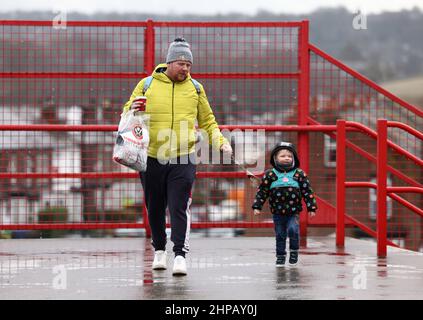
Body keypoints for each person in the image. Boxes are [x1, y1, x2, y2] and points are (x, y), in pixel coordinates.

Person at [122, 37, 233, 276]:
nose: (185, 68)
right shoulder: (146, 84)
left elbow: (208, 121)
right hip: (151, 155)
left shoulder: (196, 89)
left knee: (178, 205)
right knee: (154, 206)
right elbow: (126, 111)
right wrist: (133, 109)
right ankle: (160, 251)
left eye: (189, 65)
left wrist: (221, 142)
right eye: (181, 63)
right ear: (169, 62)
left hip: (184, 156)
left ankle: (180, 255)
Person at [252, 142, 317, 267]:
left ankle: (294, 251)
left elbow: (307, 191)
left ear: (294, 158)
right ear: (275, 158)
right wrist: (257, 206)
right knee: (280, 234)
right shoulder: (270, 175)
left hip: (293, 212)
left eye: (289, 156)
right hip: (277, 212)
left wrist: (311, 207)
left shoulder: (299, 174)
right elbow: (262, 191)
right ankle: (280, 256)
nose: (287, 158)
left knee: (293, 230)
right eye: (283, 156)